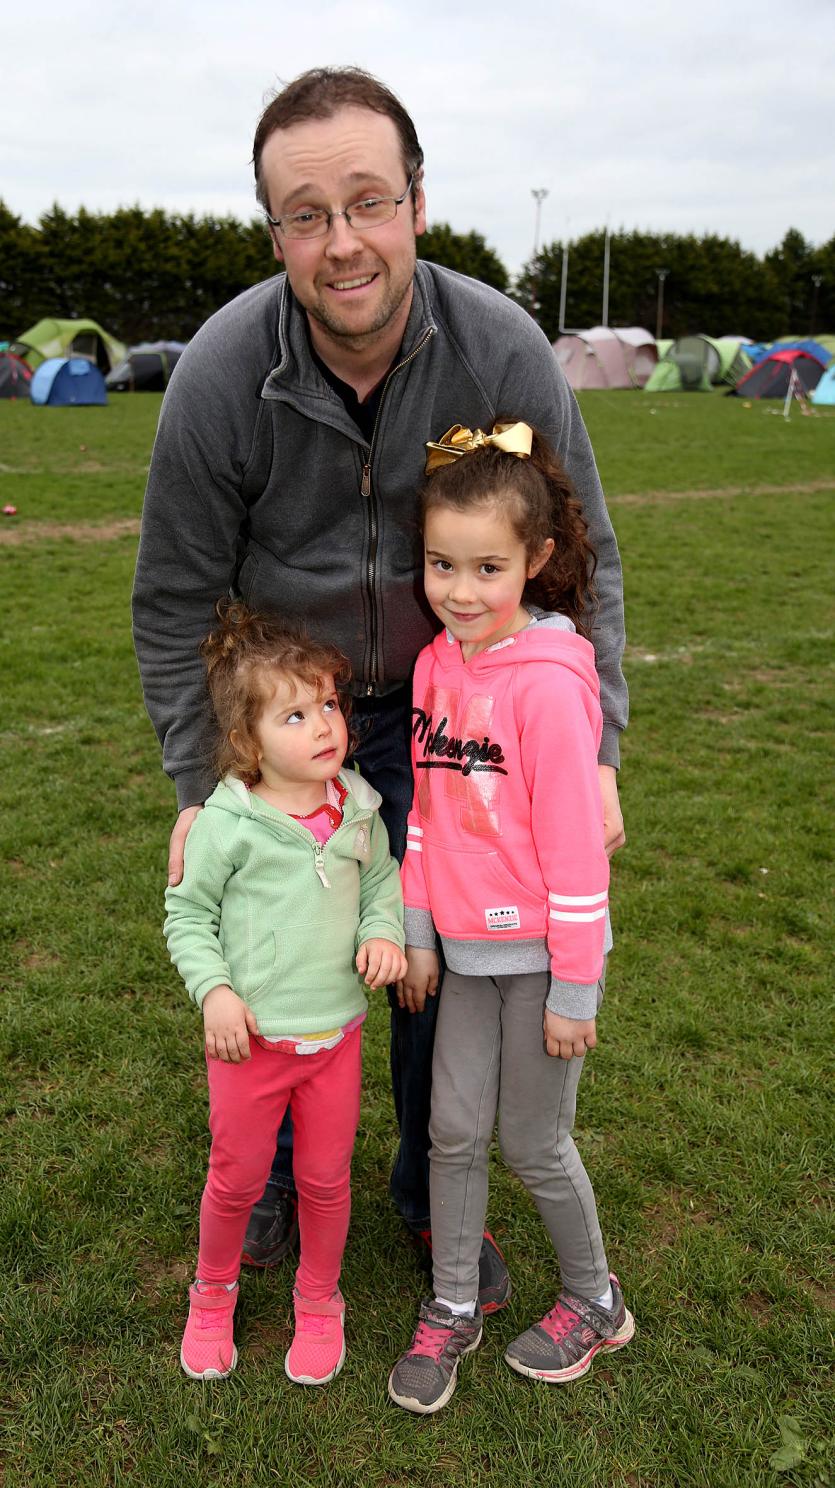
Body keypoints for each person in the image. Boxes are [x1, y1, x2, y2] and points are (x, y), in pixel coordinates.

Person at [132, 66, 628, 1308]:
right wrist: (204, 780)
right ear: (274, 232)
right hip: (288, 725)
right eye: (306, 213)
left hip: (454, 716)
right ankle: (280, 1174)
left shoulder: (501, 345)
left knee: (434, 965)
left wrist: (600, 749)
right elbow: (175, 592)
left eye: (368, 200)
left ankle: (421, 1191)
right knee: (285, 947)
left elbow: (584, 557)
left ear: (417, 201)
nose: (341, 241)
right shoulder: (219, 373)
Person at [387, 421, 634, 1415]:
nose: (458, 588)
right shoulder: (435, 666)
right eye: (440, 563)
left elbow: (577, 851)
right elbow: (424, 814)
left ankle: (595, 1298)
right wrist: (415, 931)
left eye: (486, 567)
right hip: (460, 954)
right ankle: (452, 1303)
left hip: (543, 961)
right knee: (449, 1131)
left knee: (533, 1142)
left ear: (534, 562)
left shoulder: (548, 687)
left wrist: (575, 986)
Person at [164, 602, 406, 1383]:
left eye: (329, 704)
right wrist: (214, 993)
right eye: (296, 715)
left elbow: (382, 891)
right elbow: (188, 914)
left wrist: (384, 935)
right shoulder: (227, 825)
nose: (324, 726)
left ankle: (319, 1297)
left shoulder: (359, 807)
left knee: (326, 1180)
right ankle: (212, 1293)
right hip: (250, 1045)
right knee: (235, 1178)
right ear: (247, 742)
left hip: (334, 1039)